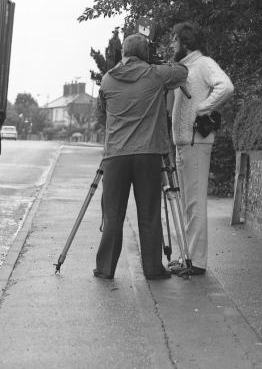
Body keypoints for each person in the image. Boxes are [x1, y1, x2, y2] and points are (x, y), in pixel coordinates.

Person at [94, 32, 188, 280]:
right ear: (145, 53)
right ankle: (153, 269)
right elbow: (182, 72)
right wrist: (158, 61)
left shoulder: (107, 79)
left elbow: (102, 110)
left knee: (112, 214)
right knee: (149, 213)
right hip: (148, 154)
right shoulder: (155, 74)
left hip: (115, 155)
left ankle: (105, 268)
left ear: (124, 53)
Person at [169, 22, 234, 277]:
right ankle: (187, 256)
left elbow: (226, 86)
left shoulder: (204, 63)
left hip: (195, 142)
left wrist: (202, 108)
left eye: (175, 39)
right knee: (188, 204)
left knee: (194, 203)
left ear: (186, 42)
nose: (172, 44)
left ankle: (195, 262)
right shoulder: (185, 67)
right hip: (184, 143)